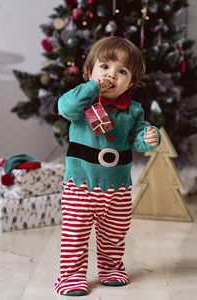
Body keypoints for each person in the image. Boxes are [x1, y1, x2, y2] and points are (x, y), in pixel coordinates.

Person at [55, 36, 161, 296]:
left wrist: (148, 136)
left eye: (121, 71)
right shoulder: (81, 103)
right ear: (90, 71)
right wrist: (92, 88)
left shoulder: (132, 110)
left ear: (131, 83)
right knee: (75, 234)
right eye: (104, 67)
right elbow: (64, 107)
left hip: (118, 188)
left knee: (115, 234)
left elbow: (137, 136)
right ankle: (70, 277)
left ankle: (111, 268)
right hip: (80, 186)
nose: (111, 75)